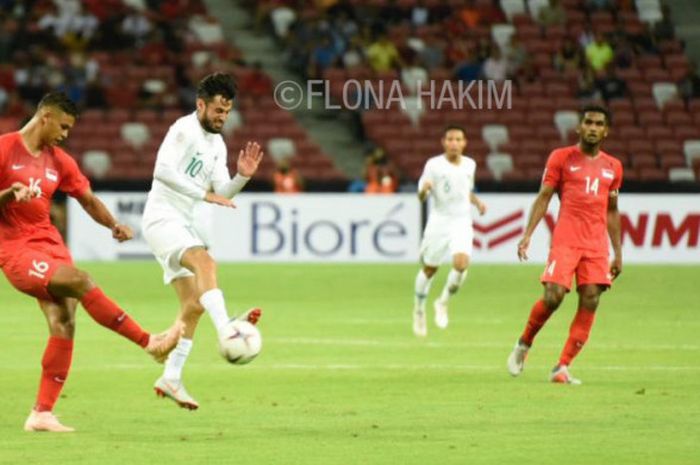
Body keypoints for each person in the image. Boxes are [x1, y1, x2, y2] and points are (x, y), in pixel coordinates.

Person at [0, 92, 181, 432]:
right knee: (82, 281)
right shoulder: (5, 149)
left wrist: (113, 224)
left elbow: (87, 199)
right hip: (15, 250)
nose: (65, 134)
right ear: (45, 117)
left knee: (64, 321)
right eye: (63, 127)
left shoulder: (60, 160)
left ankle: (42, 413)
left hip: (51, 244)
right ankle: (149, 343)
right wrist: (10, 194)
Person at [141, 72, 264, 410]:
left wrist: (243, 176)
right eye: (217, 110)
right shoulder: (183, 130)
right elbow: (162, 171)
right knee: (206, 262)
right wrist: (203, 195)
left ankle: (171, 376)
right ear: (201, 105)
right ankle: (227, 328)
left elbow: (221, 192)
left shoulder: (218, 144)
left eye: (227, 111)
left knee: (193, 306)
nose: (222, 117)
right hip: (163, 218)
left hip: (184, 223)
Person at [507, 105, 623, 385]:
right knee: (553, 296)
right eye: (588, 122)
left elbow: (612, 211)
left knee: (592, 298)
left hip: (596, 244)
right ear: (579, 128)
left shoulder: (613, 166)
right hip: (566, 239)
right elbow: (545, 196)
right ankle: (524, 343)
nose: (593, 127)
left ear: (606, 131)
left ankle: (562, 366)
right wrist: (527, 234)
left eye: (599, 124)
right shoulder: (561, 157)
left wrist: (618, 252)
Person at [412, 126, 487, 337]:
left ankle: (442, 301)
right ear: (444, 142)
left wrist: (477, 202)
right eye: (450, 139)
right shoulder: (433, 165)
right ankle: (418, 309)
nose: (454, 143)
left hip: (461, 221)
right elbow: (421, 196)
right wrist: (424, 189)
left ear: (464, 143)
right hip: (439, 221)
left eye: (458, 139)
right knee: (429, 270)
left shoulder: (470, 164)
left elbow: (465, 191)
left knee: (461, 264)